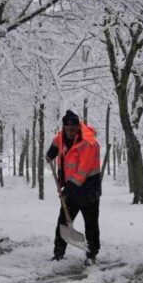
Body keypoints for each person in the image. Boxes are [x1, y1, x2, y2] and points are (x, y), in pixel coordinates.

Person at [47, 110, 102, 264]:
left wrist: (68, 189)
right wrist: (52, 151)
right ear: (64, 128)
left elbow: (82, 171)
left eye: (73, 129)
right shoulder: (62, 136)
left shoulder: (88, 143)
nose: (70, 132)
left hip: (89, 189)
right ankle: (58, 253)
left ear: (79, 127)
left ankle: (92, 253)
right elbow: (58, 140)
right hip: (71, 188)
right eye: (67, 129)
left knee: (91, 223)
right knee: (63, 222)